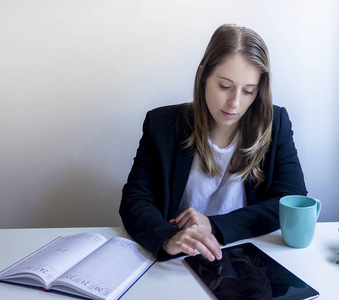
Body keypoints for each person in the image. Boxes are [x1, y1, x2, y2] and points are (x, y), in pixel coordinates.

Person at [120, 24, 307, 262]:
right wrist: (168, 238)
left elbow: (291, 200)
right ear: (202, 76)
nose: (234, 103)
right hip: (181, 260)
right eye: (225, 86)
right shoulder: (162, 125)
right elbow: (135, 200)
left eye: (248, 91)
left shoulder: (275, 123)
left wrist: (214, 226)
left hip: (248, 256)